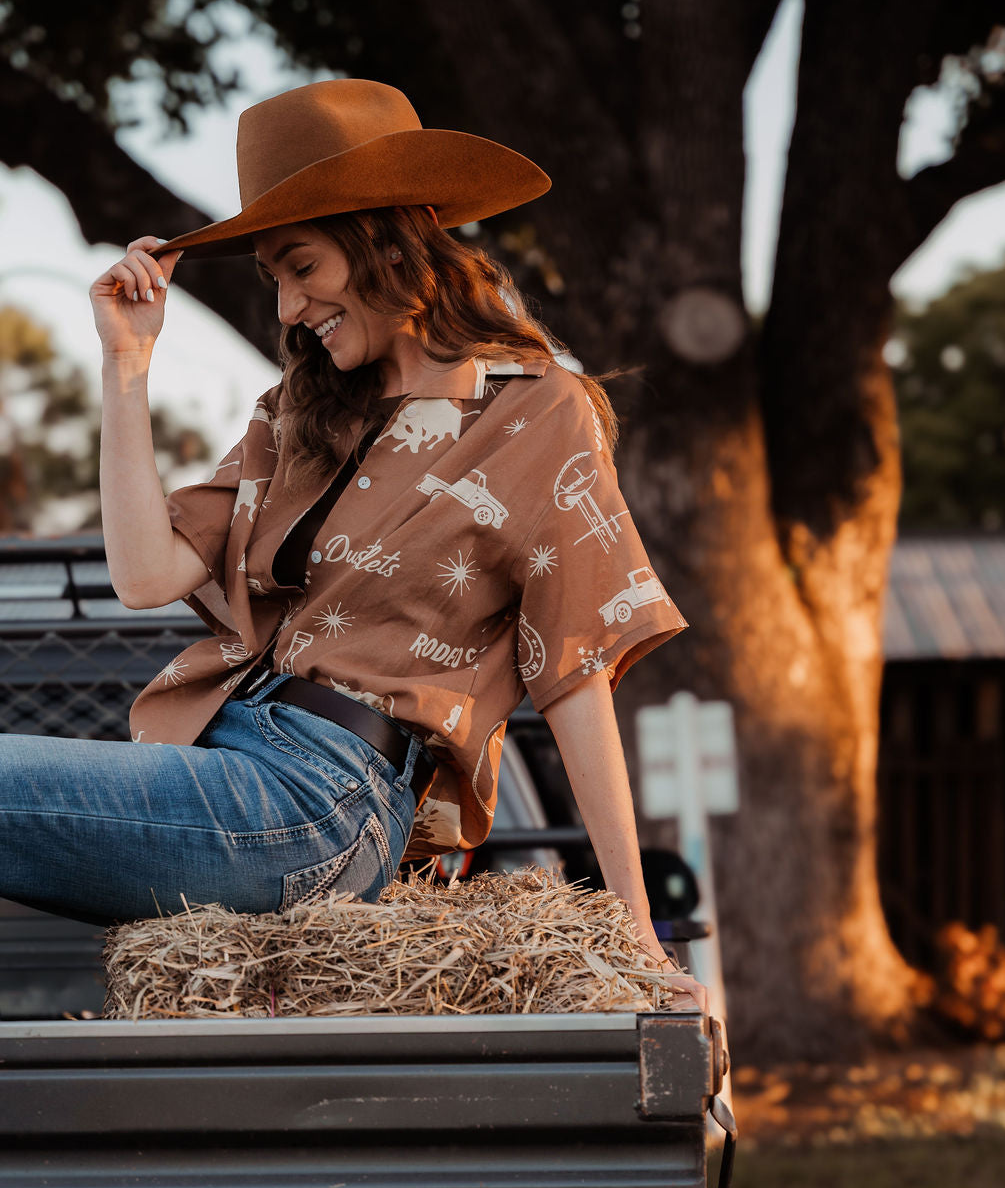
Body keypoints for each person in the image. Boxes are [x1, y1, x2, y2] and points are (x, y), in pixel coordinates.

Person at [0, 79, 705, 1009]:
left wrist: (637, 941)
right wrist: (126, 366)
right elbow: (142, 574)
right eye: (275, 281)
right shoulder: (300, 417)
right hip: (236, 756)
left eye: (302, 268)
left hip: (325, 801)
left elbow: (574, 675)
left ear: (385, 240)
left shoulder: (535, 413)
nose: (288, 308)